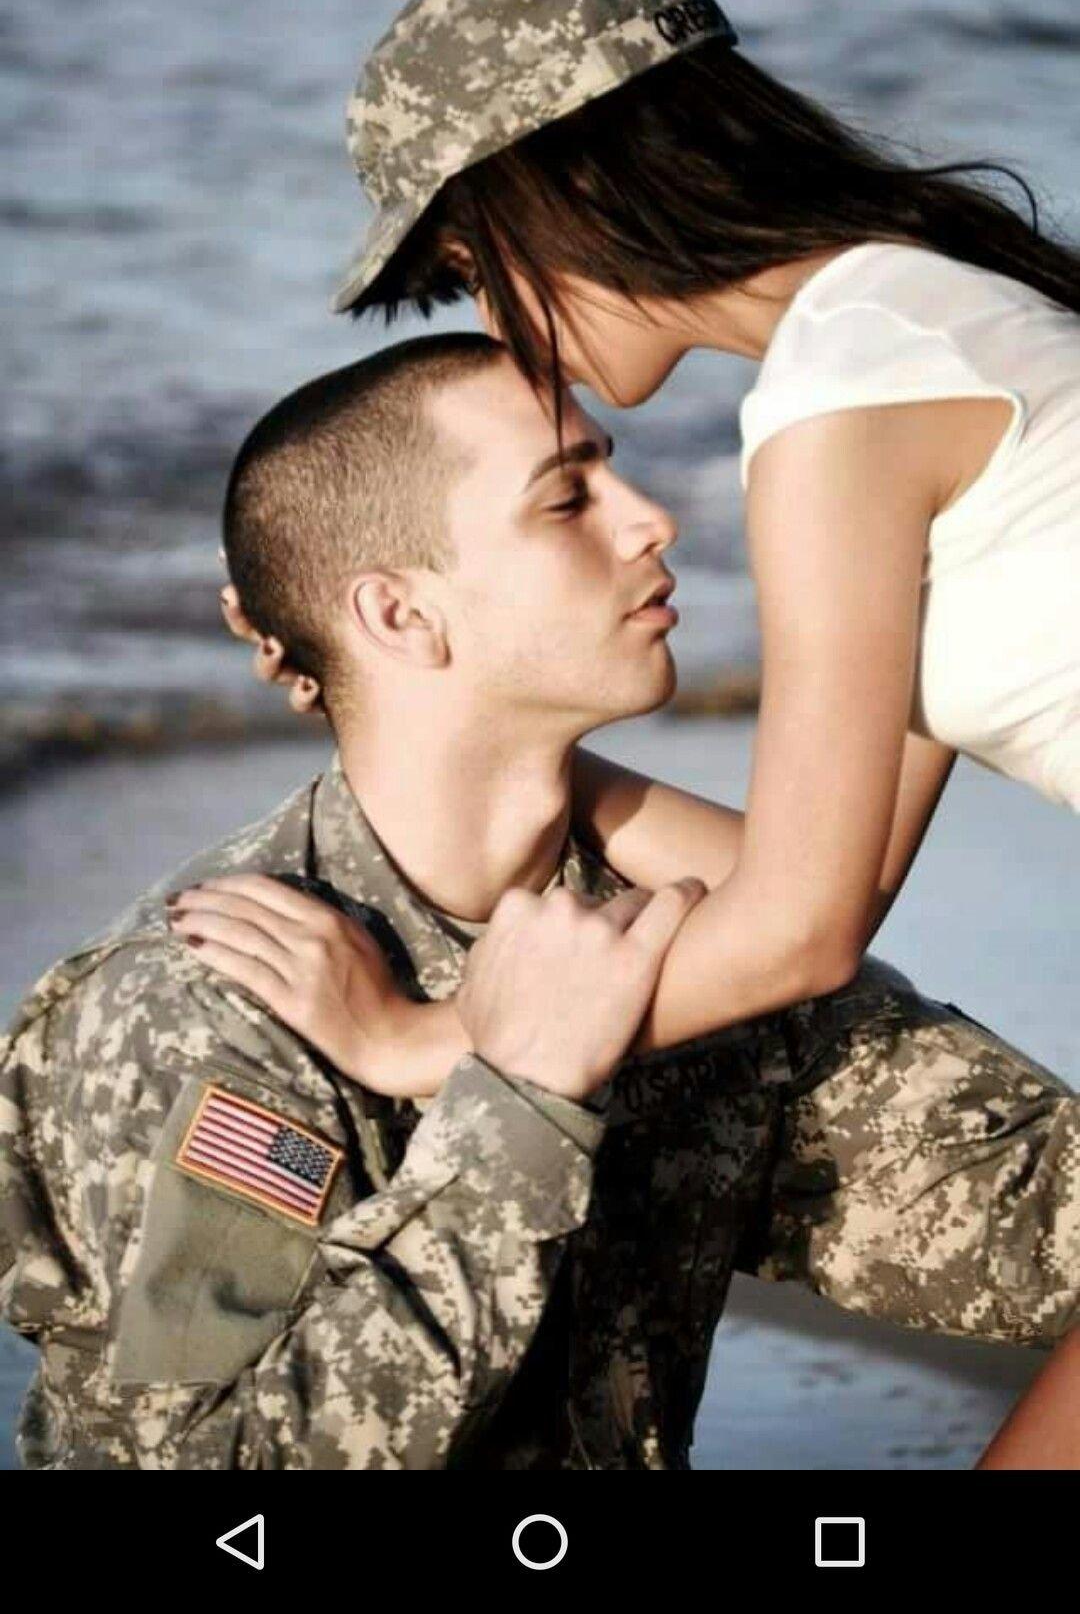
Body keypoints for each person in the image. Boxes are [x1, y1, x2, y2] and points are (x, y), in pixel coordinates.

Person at [232, 0, 1080, 1464]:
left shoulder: (847, 403)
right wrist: (507, 753)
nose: (503, 332)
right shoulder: (921, 316)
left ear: (563, 193)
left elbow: (806, 932)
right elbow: (812, 881)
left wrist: (424, 1041)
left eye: (475, 265)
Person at [158, 337, 1076, 1468]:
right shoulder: (215, 1001)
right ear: (397, 615)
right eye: (567, 499)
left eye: (614, 470)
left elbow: (820, 913)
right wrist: (514, 1108)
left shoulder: (703, 960)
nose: (654, 521)